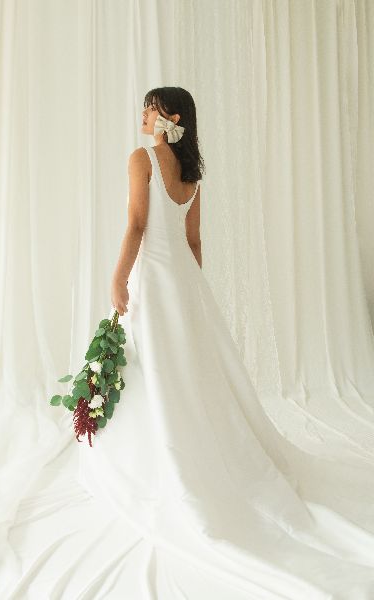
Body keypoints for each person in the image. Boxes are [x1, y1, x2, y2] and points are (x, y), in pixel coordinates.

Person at [78, 86, 374, 599]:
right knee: (188, 373)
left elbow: (137, 224)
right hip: (184, 283)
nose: (143, 113)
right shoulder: (192, 173)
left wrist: (118, 278)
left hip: (153, 279)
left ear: (170, 116)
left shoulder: (142, 158)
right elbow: (193, 242)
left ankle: (151, 464)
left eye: (151, 106)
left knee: (150, 368)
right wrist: (192, 295)